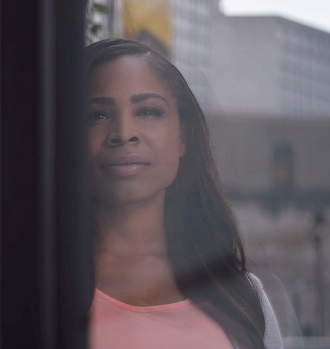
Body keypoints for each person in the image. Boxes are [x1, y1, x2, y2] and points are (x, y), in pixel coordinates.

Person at [85, 38, 282, 349]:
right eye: (96, 115)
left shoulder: (239, 294)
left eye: (148, 111)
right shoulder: (14, 280)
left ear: (183, 137)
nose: (124, 133)